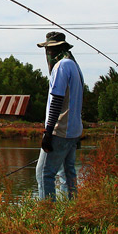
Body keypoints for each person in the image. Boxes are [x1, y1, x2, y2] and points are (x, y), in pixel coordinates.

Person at [35, 31, 84, 200]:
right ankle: (71, 210)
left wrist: (48, 133)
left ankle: (46, 217)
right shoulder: (74, 65)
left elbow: (57, 100)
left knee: (44, 173)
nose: (47, 53)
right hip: (74, 132)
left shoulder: (61, 66)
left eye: (49, 50)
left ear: (55, 50)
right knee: (67, 173)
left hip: (60, 131)